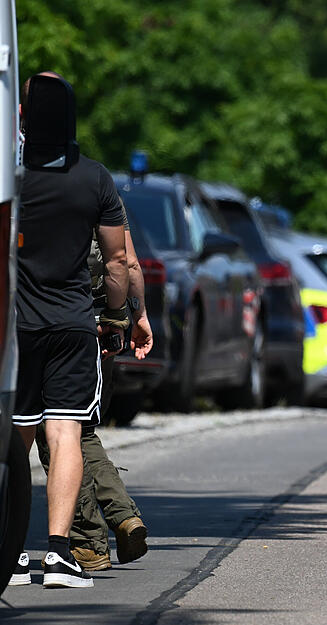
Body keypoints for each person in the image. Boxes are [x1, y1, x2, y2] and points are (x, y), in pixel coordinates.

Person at [11, 72, 129, 588]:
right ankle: (58, 554)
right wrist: (119, 316)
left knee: (13, 439)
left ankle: (10, 552)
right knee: (66, 434)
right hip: (73, 324)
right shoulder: (94, 178)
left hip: (14, 328)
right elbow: (119, 261)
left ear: (23, 117)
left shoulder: (7, 178)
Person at [34, 200, 152, 572]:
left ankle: (89, 541)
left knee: (58, 428)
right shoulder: (100, 189)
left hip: (48, 319)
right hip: (99, 321)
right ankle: (122, 515)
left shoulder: (29, 184)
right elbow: (126, 262)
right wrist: (137, 315)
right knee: (78, 428)